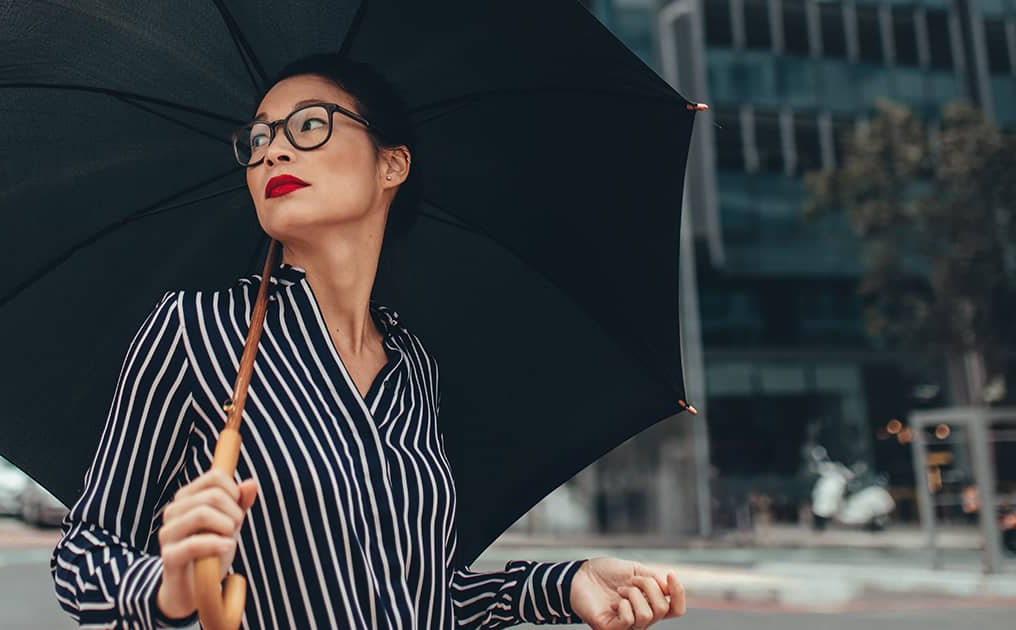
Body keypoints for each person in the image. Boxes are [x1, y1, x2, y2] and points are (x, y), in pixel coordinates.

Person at [49, 52, 687, 630]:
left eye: (309, 126)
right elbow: (83, 552)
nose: (272, 151)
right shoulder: (200, 331)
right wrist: (167, 588)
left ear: (392, 163)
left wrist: (562, 584)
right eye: (260, 136)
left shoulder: (414, 371)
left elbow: (422, 601)